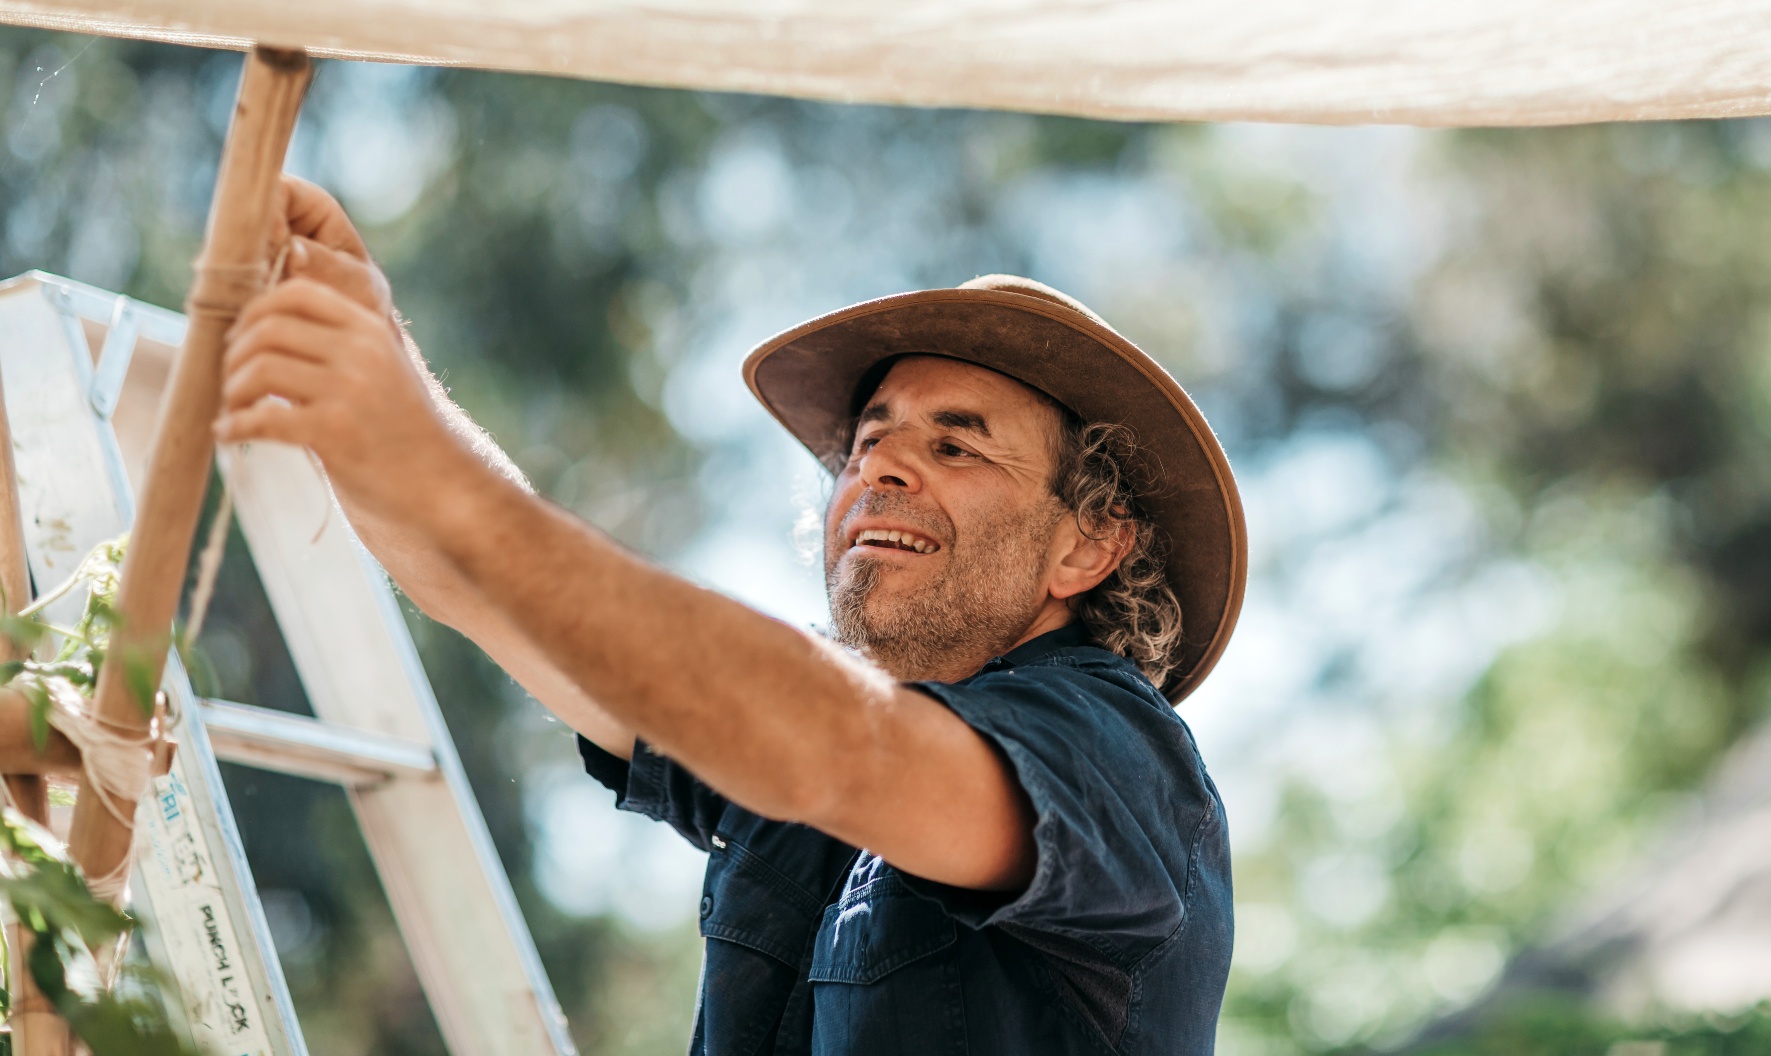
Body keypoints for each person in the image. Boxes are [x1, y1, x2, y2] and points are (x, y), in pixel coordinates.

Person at [217, 177, 1248, 1054]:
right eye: (870, 439)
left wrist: (441, 479)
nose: (878, 463)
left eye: (957, 443)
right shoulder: (784, 731)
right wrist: (368, 357)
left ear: (1088, 544)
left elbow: (846, 745)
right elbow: (492, 592)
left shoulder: (1118, 754)